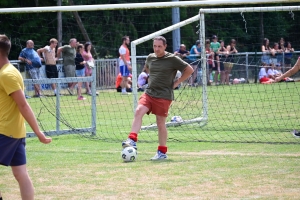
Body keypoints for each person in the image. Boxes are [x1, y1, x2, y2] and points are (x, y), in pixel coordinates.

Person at [121, 36, 194, 160]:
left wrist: (177, 83)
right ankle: (132, 139)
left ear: (165, 46)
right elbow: (149, 69)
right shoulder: (150, 57)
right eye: (155, 46)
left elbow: (189, 70)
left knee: (160, 123)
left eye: (160, 46)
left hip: (164, 95)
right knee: (139, 111)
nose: (157, 49)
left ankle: (162, 152)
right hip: (149, 93)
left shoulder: (172, 59)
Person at [0, 34, 52, 200]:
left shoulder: (6, 74)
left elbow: (23, 105)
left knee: (21, 174)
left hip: (5, 131)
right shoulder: (7, 72)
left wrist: (38, 132)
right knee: (21, 174)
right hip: (14, 131)